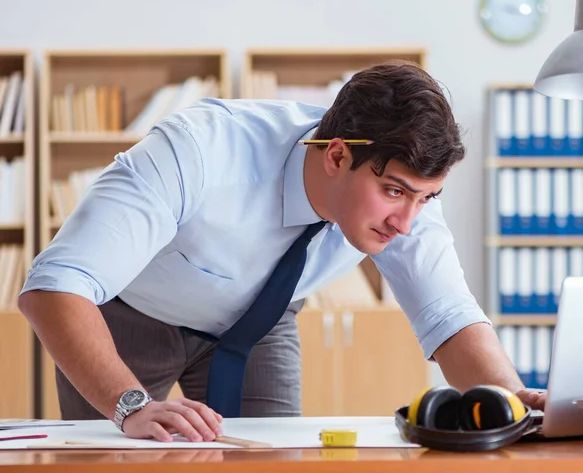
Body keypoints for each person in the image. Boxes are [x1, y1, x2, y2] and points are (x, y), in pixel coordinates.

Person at [18, 60, 545, 444]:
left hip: (258, 322)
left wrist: (517, 407)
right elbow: (53, 288)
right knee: (118, 455)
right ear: (337, 155)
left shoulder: (408, 204)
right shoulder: (200, 150)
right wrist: (130, 405)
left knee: (273, 457)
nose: (407, 222)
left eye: (425, 198)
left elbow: (449, 316)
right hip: (131, 318)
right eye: (395, 192)